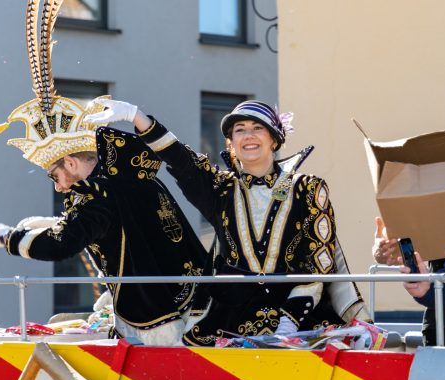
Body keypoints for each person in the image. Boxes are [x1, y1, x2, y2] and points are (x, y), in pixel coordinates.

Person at [0, 2, 206, 346]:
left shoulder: (96, 193)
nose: (59, 186)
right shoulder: (127, 175)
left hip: (159, 323)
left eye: (54, 175)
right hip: (194, 300)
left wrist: (6, 238)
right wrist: (41, 223)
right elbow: (104, 230)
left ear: (70, 163)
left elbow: (62, 243)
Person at [85, 99, 370, 346]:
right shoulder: (220, 189)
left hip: (303, 317)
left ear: (275, 139)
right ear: (231, 143)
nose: (249, 135)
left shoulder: (308, 188)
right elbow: (181, 162)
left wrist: (288, 326)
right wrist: (137, 116)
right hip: (230, 318)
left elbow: (317, 263)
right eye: (240, 130)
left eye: (257, 128)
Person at [373, 216, 445, 345]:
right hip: (438, 322)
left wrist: (431, 288)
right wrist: (382, 249)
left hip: (437, 300)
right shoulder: (425, 199)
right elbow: (391, 242)